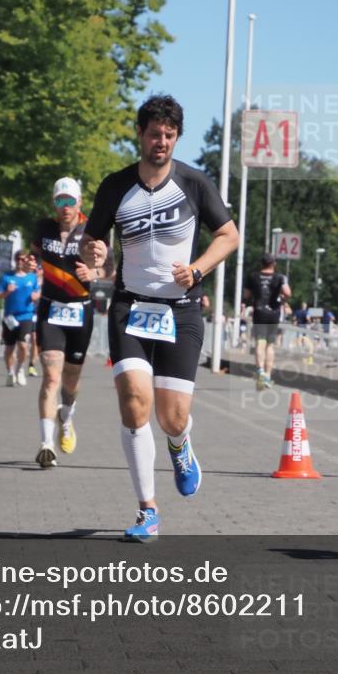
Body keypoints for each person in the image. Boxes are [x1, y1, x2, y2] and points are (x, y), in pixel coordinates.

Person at [81, 94, 239, 541]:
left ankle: (179, 443)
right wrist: (93, 253)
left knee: (172, 417)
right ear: (140, 134)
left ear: (176, 138)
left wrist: (198, 270)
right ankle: (147, 510)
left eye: (169, 136)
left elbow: (229, 235)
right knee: (135, 402)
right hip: (130, 307)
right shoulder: (116, 186)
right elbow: (91, 242)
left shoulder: (194, 183)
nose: (161, 143)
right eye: (154, 134)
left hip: (181, 310)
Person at [30, 177, 107, 468]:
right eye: (60, 201)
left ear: (79, 202)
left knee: (71, 378)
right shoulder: (44, 228)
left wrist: (94, 274)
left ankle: (67, 417)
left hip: (80, 309)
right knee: (51, 377)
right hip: (50, 308)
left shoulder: (93, 230)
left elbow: (110, 268)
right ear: (54, 203)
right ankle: (46, 444)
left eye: (70, 201)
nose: (65, 206)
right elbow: (35, 255)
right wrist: (34, 267)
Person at [244, 252, 291, 390]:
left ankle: (260, 371)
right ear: (274, 263)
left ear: (261, 263)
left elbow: (246, 295)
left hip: (259, 312)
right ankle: (268, 375)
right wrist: (282, 300)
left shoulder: (253, 276)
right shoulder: (280, 277)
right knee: (270, 345)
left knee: (260, 342)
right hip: (274, 313)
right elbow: (287, 293)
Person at [0, 250, 39, 387]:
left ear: (27, 261)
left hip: (26, 315)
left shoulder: (32, 277)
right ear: (15, 260)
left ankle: (20, 369)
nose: (21, 261)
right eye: (18, 259)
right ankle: (10, 373)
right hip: (10, 317)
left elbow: (38, 291)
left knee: (23, 346)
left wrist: (36, 296)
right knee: (9, 347)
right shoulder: (6, 277)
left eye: (23, 259)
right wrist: (7, 292)